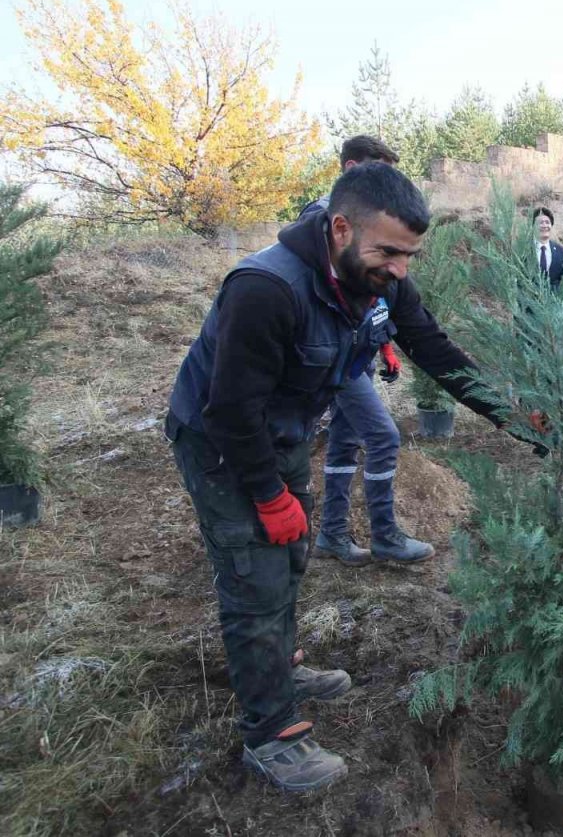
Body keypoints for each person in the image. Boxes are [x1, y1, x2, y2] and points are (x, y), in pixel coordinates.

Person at [166, 162, 515, 791]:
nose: (399, 269)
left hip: (286, 429)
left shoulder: (381, 279)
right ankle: (269, 735)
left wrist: (510, 414)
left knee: (293, 557)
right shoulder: (265, 289)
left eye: (409, 255)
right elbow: (230, 409)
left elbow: (434, 350)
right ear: (339, 229)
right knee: (255, 571)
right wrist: (269, 495)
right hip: (221, 439)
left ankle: (276, 667)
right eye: (388, 252)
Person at [296, 136, 431, 566]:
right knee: (383, 436)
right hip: (333, 359)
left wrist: (385, 343)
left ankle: (332, 535)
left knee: (344, 439)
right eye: (378, 169)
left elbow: (371, 296)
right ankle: (385, 534)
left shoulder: (370, 224)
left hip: (357, 352)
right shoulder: (324, 223)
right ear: (351, 167)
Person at [531, 206, 563, 303]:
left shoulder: (561, 251)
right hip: (529, 311)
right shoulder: (523, 250)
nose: (544, 225)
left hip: (555, 309)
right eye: (540, 223)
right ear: (532, 226)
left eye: (547, 222)